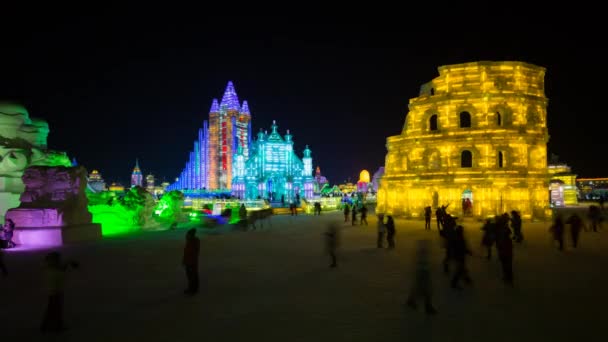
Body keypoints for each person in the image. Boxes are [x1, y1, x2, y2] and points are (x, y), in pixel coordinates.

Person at [40, 252, 79, 333]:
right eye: (57, 260)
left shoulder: (51, 269)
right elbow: (61, 272)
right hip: (55, 293)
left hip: (54, 293)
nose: (59, 261)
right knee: (56, 310)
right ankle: (57, 326)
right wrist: (68, 264)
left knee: (52, 310)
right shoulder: (53, 272)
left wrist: (68, 263)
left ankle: (46, 325)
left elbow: (60, 268)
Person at [406, 240, 437, 315]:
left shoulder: (422, 254)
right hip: (423, 273)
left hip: (423, 273)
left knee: (421, 289)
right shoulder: (421, 255)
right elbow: (421, 264)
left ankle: (412, 300)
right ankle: (427, 306)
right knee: (426, 290)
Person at [450, 225, 472, 289]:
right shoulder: (458, 238)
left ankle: (467, 279)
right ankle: (454, 283)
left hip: (459, 256)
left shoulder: (458, 237)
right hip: (459, 256)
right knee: (460, 270)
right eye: (462, 230)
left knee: (462, 268)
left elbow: (462, 247)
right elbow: (461, 247)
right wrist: (467, 251)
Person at [182, 228, 200, 295]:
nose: (186, 236)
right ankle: (193, 288)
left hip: (191, 262)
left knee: (192, 275)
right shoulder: (191, 241)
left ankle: (193, 289)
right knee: (191, 275)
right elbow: (186, 252)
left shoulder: (193, 242)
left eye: (188, 234)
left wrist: (188, 261)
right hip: (190, 261)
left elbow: (191, 253)